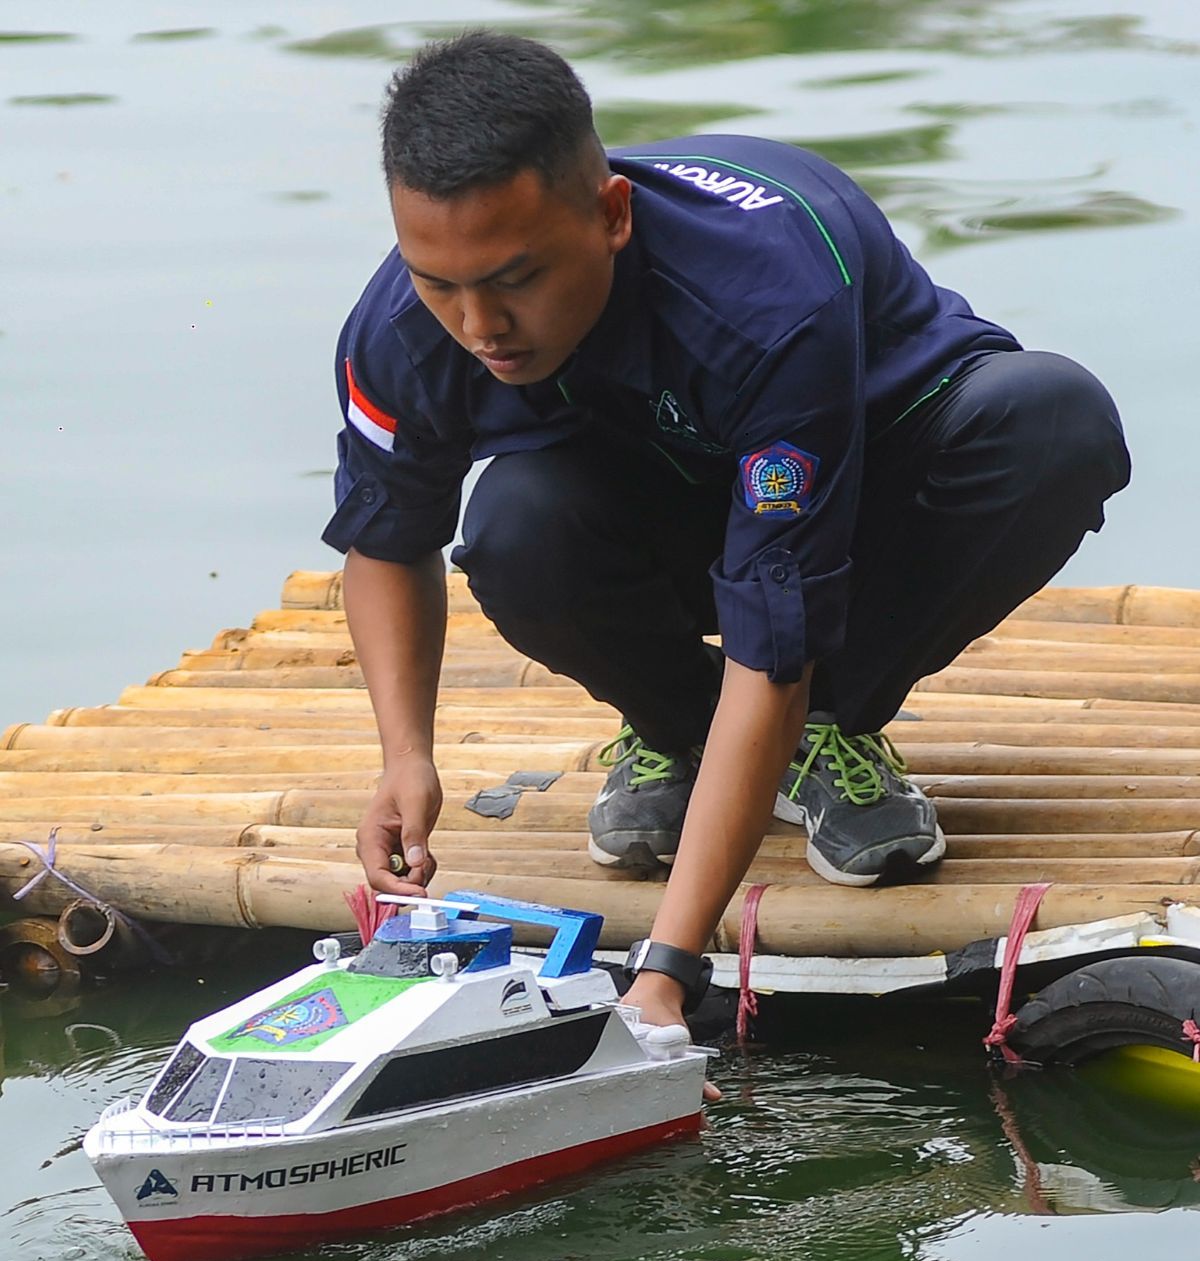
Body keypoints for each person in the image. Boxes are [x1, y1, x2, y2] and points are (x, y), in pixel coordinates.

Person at [324, 30, 1131, 1030]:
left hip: (860, 486)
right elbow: (387, 539)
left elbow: (771, 639)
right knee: (513, 525)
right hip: (665, 482)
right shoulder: (403, 324)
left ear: (613, 216)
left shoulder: (764, 298)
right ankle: (676, 730)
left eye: (516, 279)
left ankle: (833, 728)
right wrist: (405, 755)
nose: (479, 324)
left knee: (1054, 419)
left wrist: (666, 970)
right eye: (439, 282)